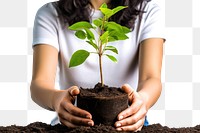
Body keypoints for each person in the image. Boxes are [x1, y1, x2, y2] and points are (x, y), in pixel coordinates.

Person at [30, 0, 165, 131]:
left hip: (128, 122)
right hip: (72, 124)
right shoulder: (50, 13)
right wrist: (56, 99)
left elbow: (151, 78)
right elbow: (40, 83)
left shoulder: (148, 12)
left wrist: (143, 100)